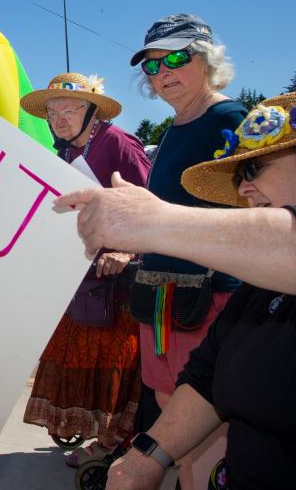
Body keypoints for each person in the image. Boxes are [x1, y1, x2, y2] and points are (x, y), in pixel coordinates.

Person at [59, 93, 296, 489]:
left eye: (253, 168)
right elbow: (207, 376)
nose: (245, 190)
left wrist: (151, 221)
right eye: (239, 178)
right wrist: (145, 459)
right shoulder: (259, 290)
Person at [19, 73, 150, 466]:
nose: (60, 117)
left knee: (116, 369)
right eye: (53, 111)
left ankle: (116, 446)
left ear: (92, 111)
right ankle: (102, 440)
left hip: (119, 284)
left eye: (70, 108)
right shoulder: (62, 153)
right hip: (81, 279)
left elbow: (153, 204)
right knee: (78, 358)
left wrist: (127, 252)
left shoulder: (118, 143)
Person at [127, 14, 247, 409]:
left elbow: (256, 207)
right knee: (169, 411)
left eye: (177, 59)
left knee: (202, 419)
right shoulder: (174, 127)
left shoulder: (229, 119)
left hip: (212, 297)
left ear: (207, 60)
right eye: (153, 65)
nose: (163, 73)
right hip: (164, 297)